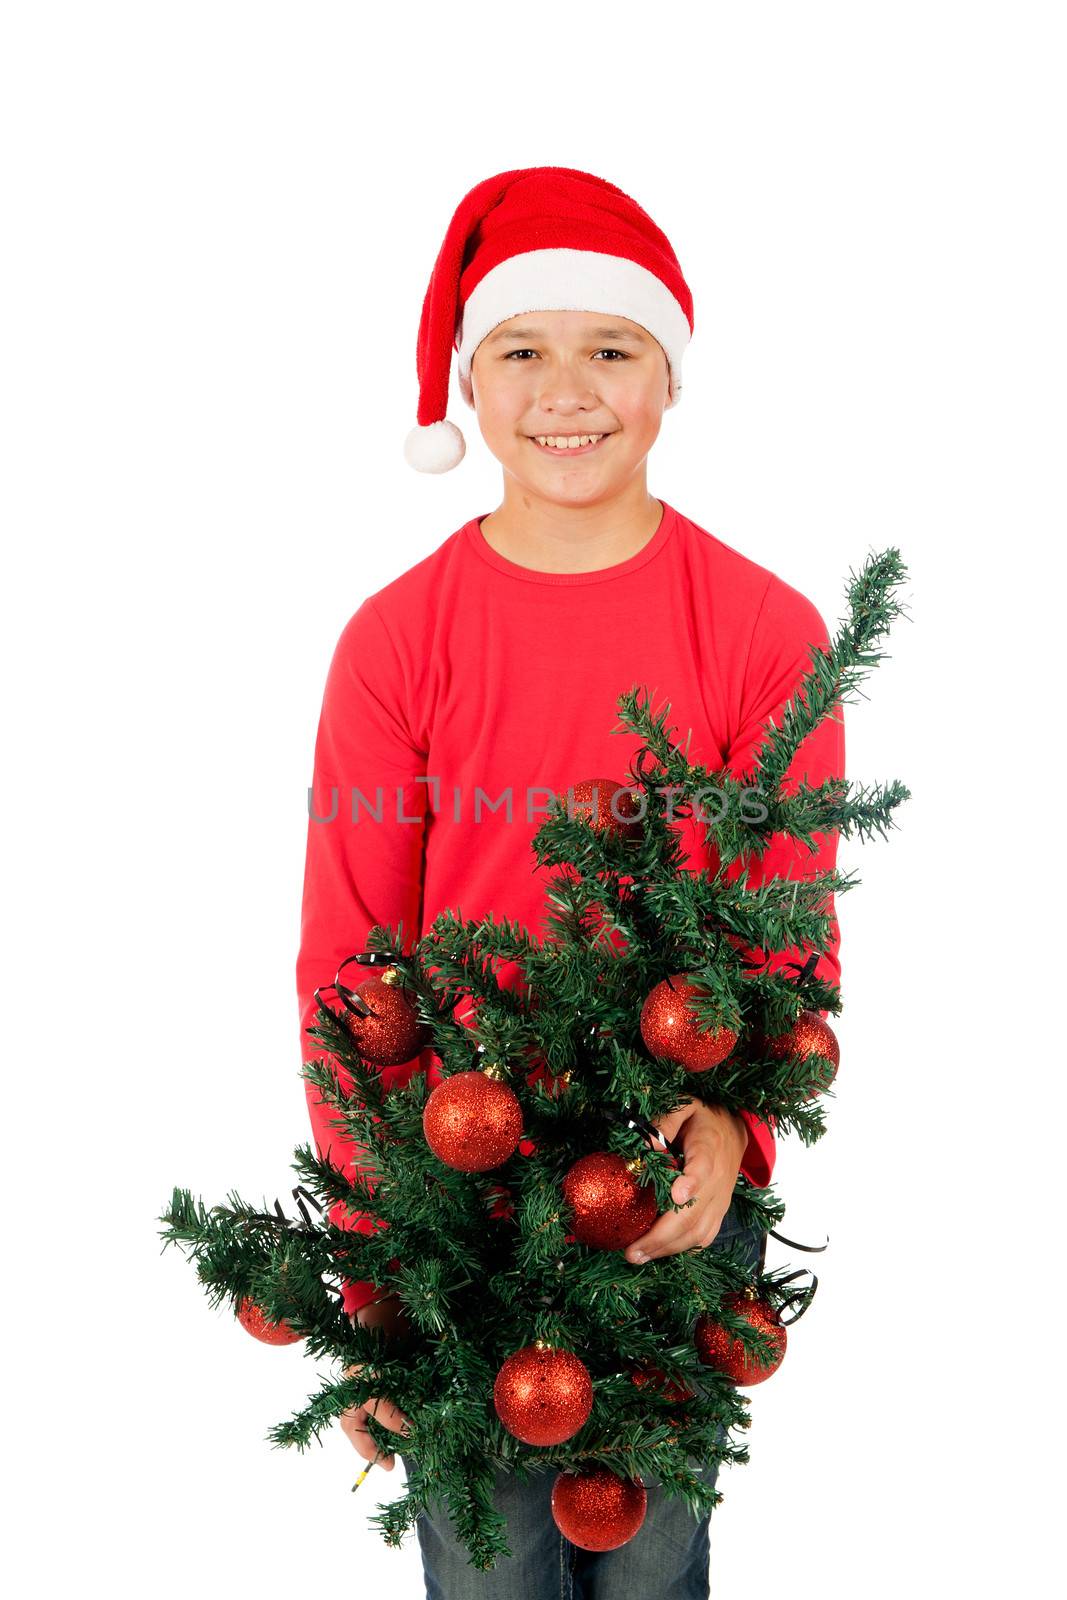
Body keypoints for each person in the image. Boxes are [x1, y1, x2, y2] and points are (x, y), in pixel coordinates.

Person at [296, 166, 845, 1599]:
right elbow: (350, 971)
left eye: (610, 347)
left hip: (664, 1195)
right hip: (452, 1207)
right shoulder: (396, 644)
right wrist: (372, 1271)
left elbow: (792, 942)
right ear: (469, 386)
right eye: (521, 350)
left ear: (668, 376)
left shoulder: (763, 634)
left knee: (654, 1570)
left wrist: (735, 1132)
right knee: (489, 1578)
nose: (567, 388)